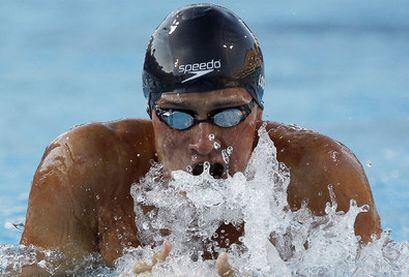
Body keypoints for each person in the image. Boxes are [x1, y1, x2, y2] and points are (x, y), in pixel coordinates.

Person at [20, 3, 381, 275]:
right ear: (151, 114)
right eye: (179, 117)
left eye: (227, 114)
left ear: (258, 112)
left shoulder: (322, 177)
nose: (205, 141)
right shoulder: (82, 167)